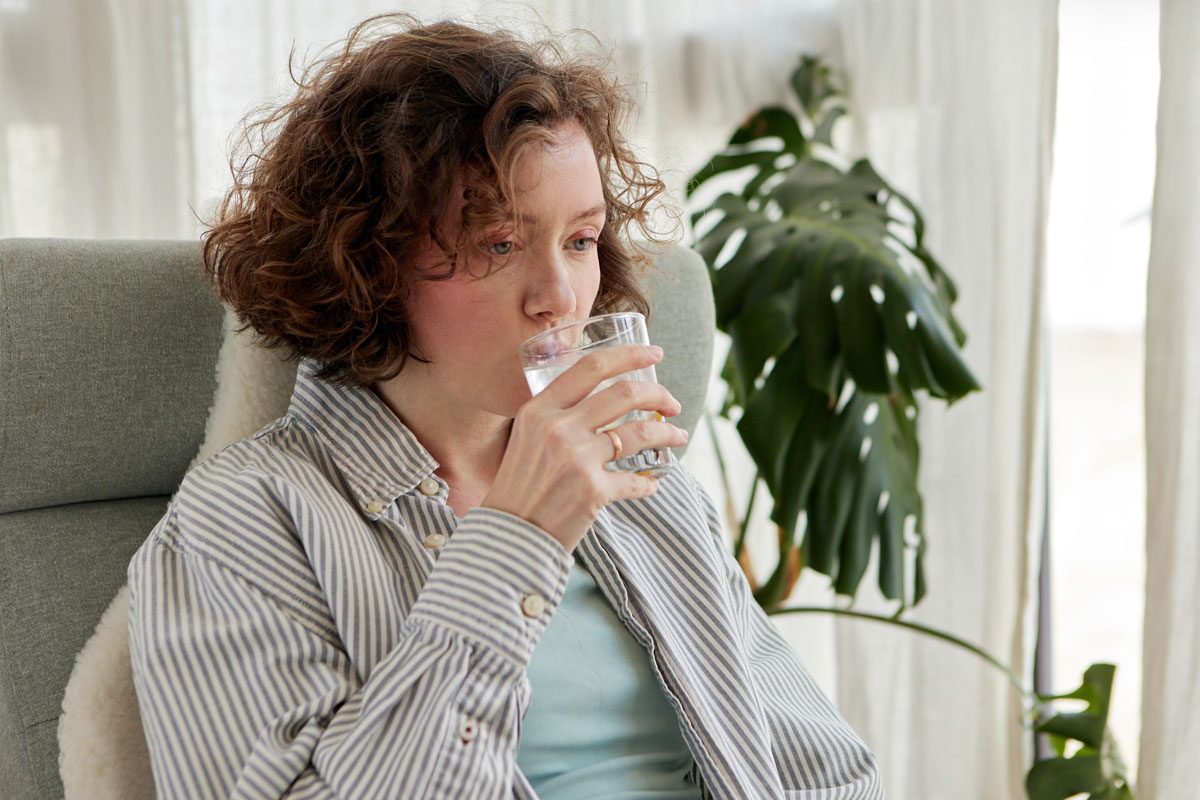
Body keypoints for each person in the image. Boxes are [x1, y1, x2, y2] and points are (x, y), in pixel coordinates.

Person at [127, 13, 883, 800]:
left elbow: (823, 770)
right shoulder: (241, 522)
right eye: (498, 243)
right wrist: (516, 537)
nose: (558, 298)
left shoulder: (641, 487)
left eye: (582, 240)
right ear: (370, 258)